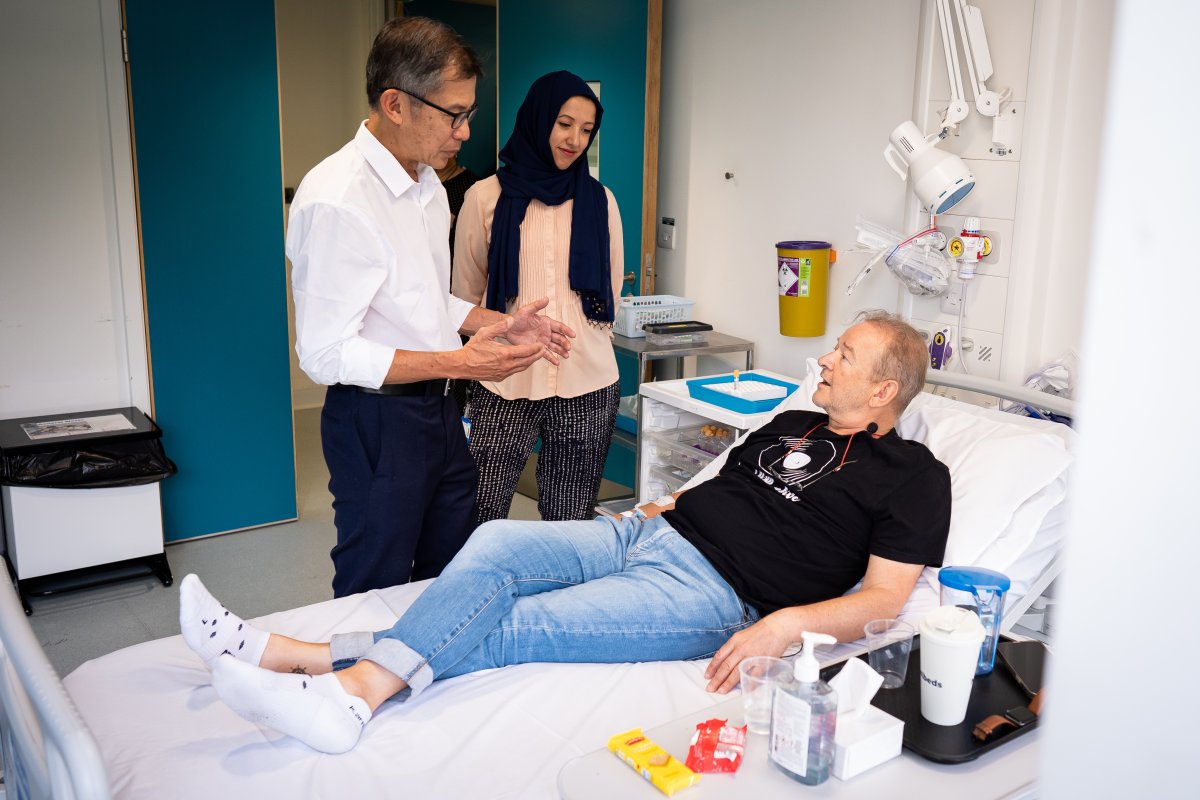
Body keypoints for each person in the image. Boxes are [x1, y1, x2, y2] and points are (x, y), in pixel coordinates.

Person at [180, 312, 951, 754]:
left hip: (714, 594)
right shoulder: (792, 419)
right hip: (644, 537)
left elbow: (884, 595)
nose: (823, 357)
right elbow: (723, 482)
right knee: (492, 547)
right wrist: (663, 505)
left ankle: (327, 680)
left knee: (516, 625)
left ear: (883, 389)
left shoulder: (915, 475)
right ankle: (315, 671)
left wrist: (785, 624)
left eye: (843, 355)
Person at [288, 18, 575, 598]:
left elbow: (418, 298)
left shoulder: (422, 184)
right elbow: (326, 353)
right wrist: (462, 364)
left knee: (449, 572)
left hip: (439, 414)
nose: (466, 132)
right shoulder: (339, 201)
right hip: (376, 422)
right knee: (377, 581)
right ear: (395, 103)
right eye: (455, 114)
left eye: (468, 113)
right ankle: (355, 687)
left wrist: (496, 322)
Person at [452, 71, 624, 525]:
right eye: (564, 123)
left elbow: (611, 295)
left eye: (587, 130)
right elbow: (463, 298)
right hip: (503, 379)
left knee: (569, 520)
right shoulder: (484, 198)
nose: (575, 140)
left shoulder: (601, 201)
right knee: (478, 513)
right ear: (538, 118)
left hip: (587, 380)